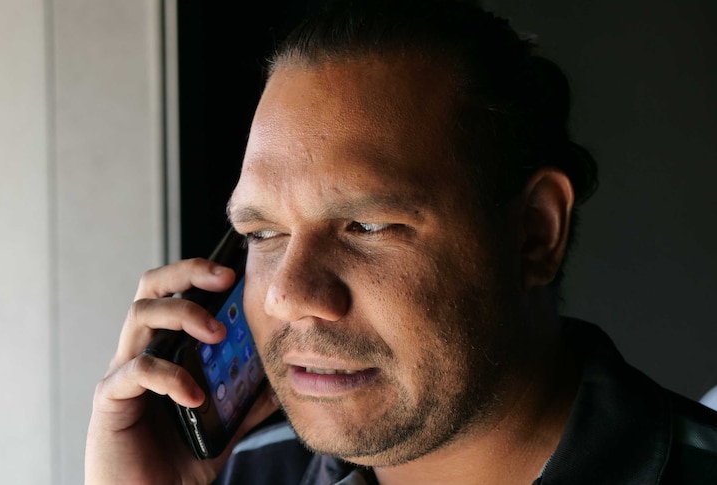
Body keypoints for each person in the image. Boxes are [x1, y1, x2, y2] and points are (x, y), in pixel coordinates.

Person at [84, 0, 717, 483]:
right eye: (262, 233)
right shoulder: (251, 475)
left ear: (534, 233)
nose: (288, 296)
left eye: (366, 226)